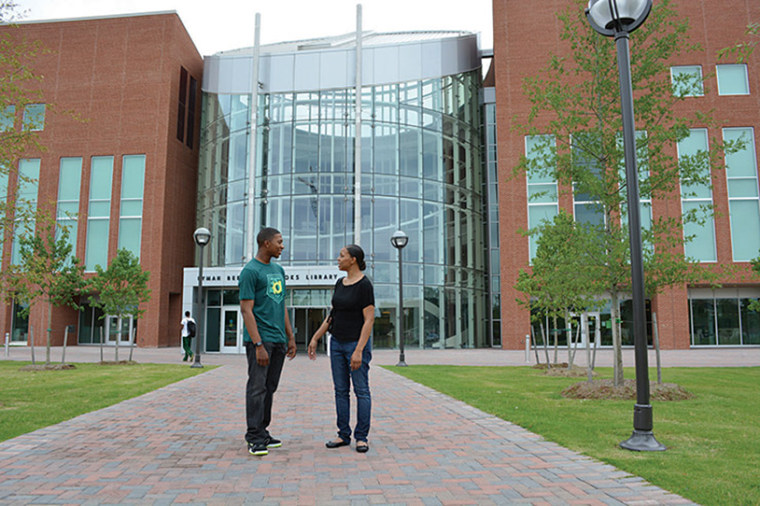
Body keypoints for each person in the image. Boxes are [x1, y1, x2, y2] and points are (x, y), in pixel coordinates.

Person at [308, 244, 375, 453]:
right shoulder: (340, 283)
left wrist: (359, 350)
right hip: (336, 343)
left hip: (356, 344)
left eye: (341, 256)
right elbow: (332, 316)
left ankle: (361, 437)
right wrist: (315, 338)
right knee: (340, 391)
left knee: (361, 390)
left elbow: (369, 320)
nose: (338, 259)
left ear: (353, 259)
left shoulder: (365, 285)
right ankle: (343, 434)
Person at [239, 227, 297, 456]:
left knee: (270, 388)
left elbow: (280, 305)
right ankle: (253, 436)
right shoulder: (250, 271)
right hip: (261, 342)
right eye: (279, 242)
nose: (282, 246)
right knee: (257, 388)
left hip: (278, 340)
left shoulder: (278, 270)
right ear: (266, 244)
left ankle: (263, 431)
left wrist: (290, 336)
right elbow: (246, 310)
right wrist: (258, 344)